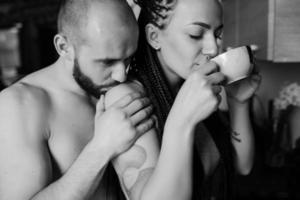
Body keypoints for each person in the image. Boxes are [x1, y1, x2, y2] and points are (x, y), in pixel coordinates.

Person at [0, 0, 213, 199]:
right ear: (64, 47)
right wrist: (101, 148)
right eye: (107, 62)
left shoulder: (123, 92)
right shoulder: (19, 105)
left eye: (127, 59)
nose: (120, 75)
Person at [124, 0, 261, 199]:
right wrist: (182, 121)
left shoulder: (190, 85)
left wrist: (238, 102)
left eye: (217, 34)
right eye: (196, 34)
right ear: (154, 37)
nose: (213, 49)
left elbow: (242, 166)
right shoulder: (130, 99)